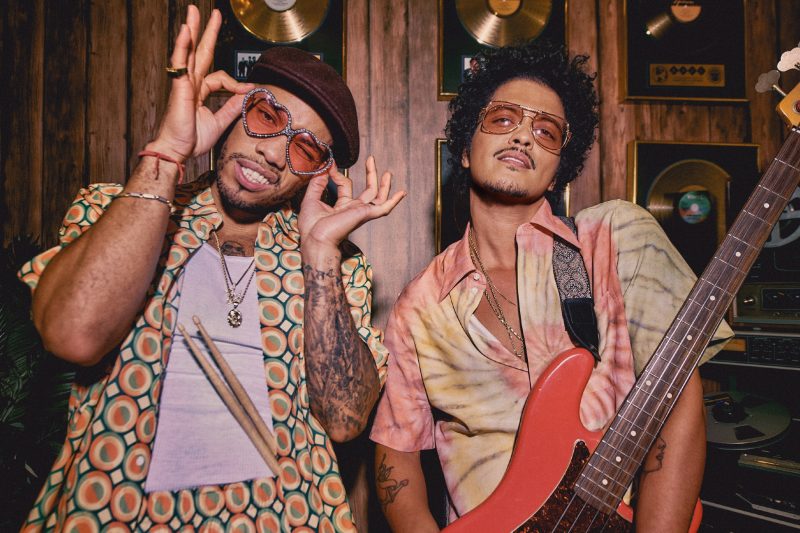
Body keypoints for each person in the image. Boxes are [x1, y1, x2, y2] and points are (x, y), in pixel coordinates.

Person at [18, 6, 403, 532]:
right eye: (267, 116)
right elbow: (72, 335)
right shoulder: (116, 210)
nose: (273, 154)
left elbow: (345, 419)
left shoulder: (337, 269)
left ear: (317, 175)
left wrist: (319, 255)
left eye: (304, 149)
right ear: (234, 108)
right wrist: (167, 154)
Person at [370, 40, 733, 532]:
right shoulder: (421, 304)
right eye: (502, 119)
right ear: (465, 149)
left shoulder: (613, 238)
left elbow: (677, 399)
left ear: (559, 169)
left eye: (546, 131)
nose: (523, 135)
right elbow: (396, 452)